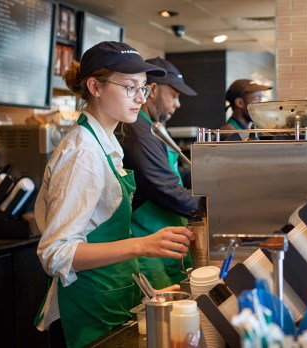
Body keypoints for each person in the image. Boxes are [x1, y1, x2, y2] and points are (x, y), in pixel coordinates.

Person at [34, 42, 194, 347]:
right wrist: (142, 245)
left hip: (112, 294)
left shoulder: (107, 142)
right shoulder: (82, 153)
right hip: (88, 305)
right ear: (95, 86)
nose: (139, 98)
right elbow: (57, 254)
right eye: (129, 87)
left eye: (144, 88)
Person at [119, 57, 201, 289]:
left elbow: (176, 175)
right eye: (174, 96)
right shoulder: (139, 132)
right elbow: (166, 189)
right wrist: (211, 204)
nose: (177, 104)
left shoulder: (152, 128)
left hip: (165, 243)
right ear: (153, 90)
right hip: (148, 250)